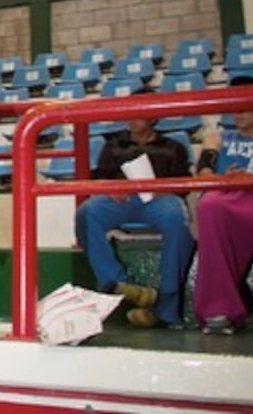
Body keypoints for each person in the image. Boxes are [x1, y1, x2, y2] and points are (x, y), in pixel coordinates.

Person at [74, 88, 194, 328]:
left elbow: (184, 184)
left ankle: (166, 307)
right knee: (87, 212)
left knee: (176, 221)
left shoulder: (173, 147)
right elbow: (99, 178)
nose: (132, 117)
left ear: (154, 117)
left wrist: (166, 188)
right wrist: (109, 187)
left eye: (140, 112)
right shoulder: (113, 145)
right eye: (131, 111)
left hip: (159, 200)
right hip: (121, 199)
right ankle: (117, 283)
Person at [193, 70, 253, 334]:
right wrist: (225, 177)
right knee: (210, 205)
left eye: (246, 106)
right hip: (231, 199)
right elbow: (204, 175)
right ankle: (218, 310)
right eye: (236, 106)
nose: (238, 112)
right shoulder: (220, 139)